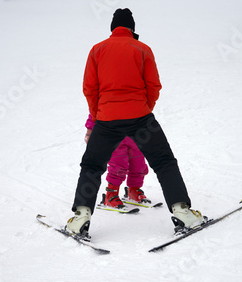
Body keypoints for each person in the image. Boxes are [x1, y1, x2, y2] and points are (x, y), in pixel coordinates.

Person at [66, 8, 205, 237]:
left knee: (92, 166)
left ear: (113, 28)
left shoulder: (97, 50)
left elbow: (90, 88)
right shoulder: (143, 49)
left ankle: (80, 217)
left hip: (107, 119)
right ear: (132, 28)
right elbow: (154, 86)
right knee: (164, 162)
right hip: (141, 118)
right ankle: (182, 212)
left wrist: (99, 114)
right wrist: (143, 109)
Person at [84, 114, 151, 209]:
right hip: (113, 134)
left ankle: (133, 190)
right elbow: (94, 110)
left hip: (134, 132)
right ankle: (111, 194)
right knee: (118, 166)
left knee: (139, 164)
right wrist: (89, 130)